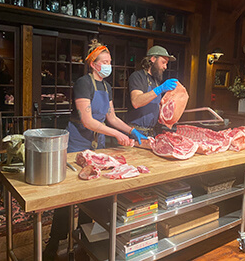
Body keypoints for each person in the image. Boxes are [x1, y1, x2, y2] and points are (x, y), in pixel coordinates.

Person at [43, 40, 146, 260]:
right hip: (78, 144)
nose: (109, 65)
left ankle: (83, 240)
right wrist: (116, 135)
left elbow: (111, 117)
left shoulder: (107, 87)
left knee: (92, 196)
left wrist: (131, 131)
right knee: (68, 198)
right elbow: (88, 120)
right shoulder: (83, 83)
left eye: (110, 61)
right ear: (93, 64)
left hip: (98, 145)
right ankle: (54, 242)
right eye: (105, 62)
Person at [126, 45, 178, 137]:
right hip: (136, 132)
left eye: (166, 64)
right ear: (153, 59)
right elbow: (136, 102)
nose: (165, 67)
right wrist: (160, 89)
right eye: (163, 62)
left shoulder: (156, 81)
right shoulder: (137, 77)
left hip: (151, 133)